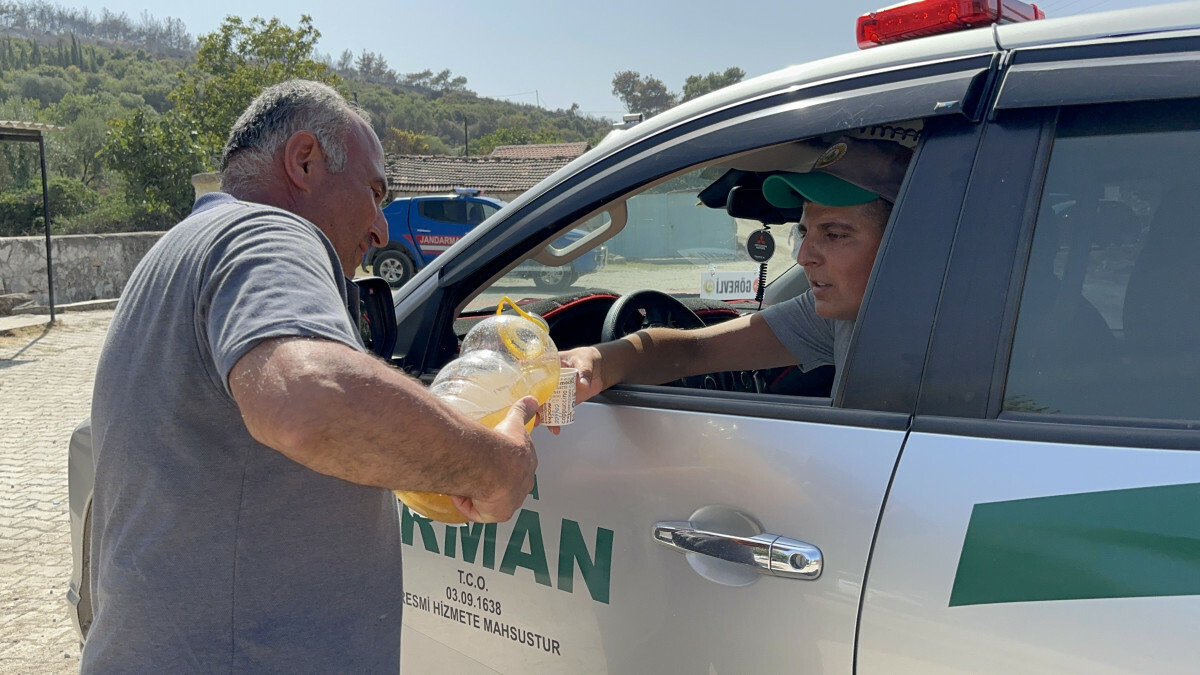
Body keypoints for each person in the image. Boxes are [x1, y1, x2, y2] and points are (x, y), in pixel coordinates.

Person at [83, 80, 538, 672]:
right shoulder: (268, 234)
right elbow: (310, 400)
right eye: (374, 193)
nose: (380, 230)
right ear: (304, 162)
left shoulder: (179, 249)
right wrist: (494, 465)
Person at [559, 135, 911, 401]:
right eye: (803, 231)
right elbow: (696, 349)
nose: (804, 256)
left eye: (834, 234)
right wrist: (598, 360)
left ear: (907, 241)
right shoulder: (838, 318)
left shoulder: (953, 336)